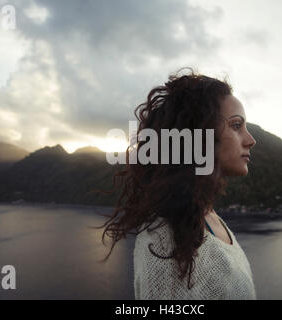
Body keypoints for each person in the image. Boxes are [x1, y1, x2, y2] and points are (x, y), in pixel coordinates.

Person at [96, 67, 257, 299]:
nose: (251, 140)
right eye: (235, 125)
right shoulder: (165, 243)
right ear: (200, 134)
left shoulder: (206, 216)